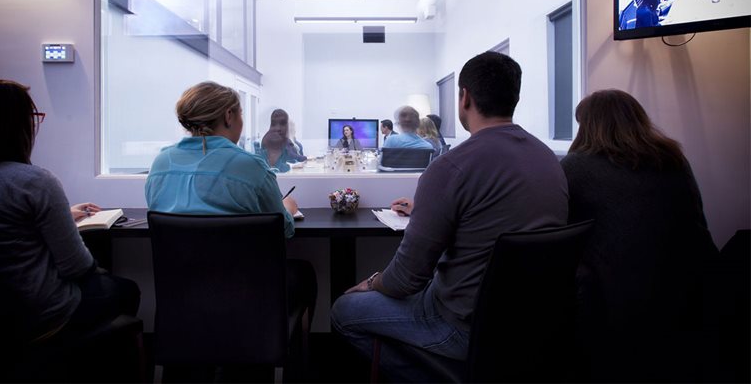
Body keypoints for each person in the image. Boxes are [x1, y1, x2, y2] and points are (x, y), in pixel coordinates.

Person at [331, 52, 568, 382]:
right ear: (514, 97)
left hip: (459, 326)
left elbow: (404, 281)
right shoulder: (548, 160)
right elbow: (492, 213)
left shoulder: (450, 167)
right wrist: (429, 209)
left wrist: (370, 282)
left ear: (464, 97)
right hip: (532, 325)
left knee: (343, 311)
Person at [0, 77, 140, 343]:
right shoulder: (32, 182)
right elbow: (76, 267)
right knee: (124, 288)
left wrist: (62, 216)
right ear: (8, 126)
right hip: (36, 315)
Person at [561, 90, 718, 382]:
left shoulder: (576, 167)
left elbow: (563, 234)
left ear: (589, 125)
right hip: (694, 294)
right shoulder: (673, 160)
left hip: (618, 307)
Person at [145, 82, 317, 322]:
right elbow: (284, 230)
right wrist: (287, 207)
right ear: (228, 116)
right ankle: (279, 343)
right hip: (245, 293)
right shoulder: (250, 166)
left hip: (182, 294)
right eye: (241, 114)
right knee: (303, 273)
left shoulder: (161, 164)